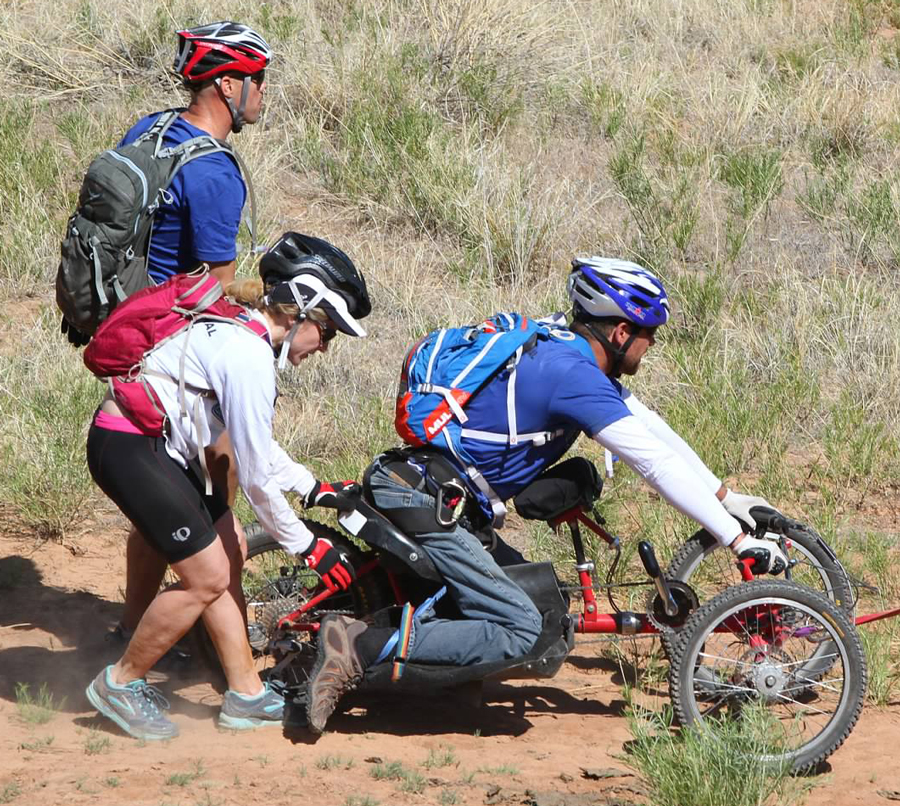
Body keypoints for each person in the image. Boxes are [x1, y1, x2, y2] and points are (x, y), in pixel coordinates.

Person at [304, 256, 786, 734]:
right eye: (649, 332)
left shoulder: (562, 344)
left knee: (547, 613)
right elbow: (653, 464)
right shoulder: (572, 376)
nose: (652, 342)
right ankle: (354, 647)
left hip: (440, 494)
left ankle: (432, 678)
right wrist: (737, 541)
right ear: (620, 333)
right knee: (520, 628)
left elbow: (652, 430)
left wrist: (725, 497)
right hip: (425, 499)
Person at [85, 233, 371, 740]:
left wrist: (312, 488)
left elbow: (256, 448)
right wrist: (306, 545)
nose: (325, 346)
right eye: (326, 331)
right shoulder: (249, 356)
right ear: (299, 310)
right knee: (206, 578)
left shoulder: (244, 335)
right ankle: (120, 683)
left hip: (154, 447)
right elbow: (257, 477)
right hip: (128, 449)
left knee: (230, 548)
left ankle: (245, 694)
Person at [98, 21, 273, 651]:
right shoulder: (215, 173)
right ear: (228, 84)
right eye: (257, 81)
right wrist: (278, 300)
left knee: (159, 499)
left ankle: (129, 624)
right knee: (214, 491)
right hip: (176, 349)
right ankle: (226, 644)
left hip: (123, 327)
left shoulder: (150, 130)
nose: (262, 94)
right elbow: (216, 289)